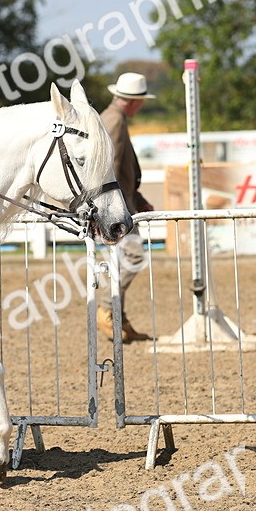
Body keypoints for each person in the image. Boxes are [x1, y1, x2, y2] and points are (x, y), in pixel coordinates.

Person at [98, 73, 154, 343]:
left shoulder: (113, 118)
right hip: (118, 208)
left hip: (123, 203)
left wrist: (137, 196)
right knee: (132, 257)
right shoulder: (115, 121)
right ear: (135, 101)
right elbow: (108, 169)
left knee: (124, 260)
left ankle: (117, 315)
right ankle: (108, 310)